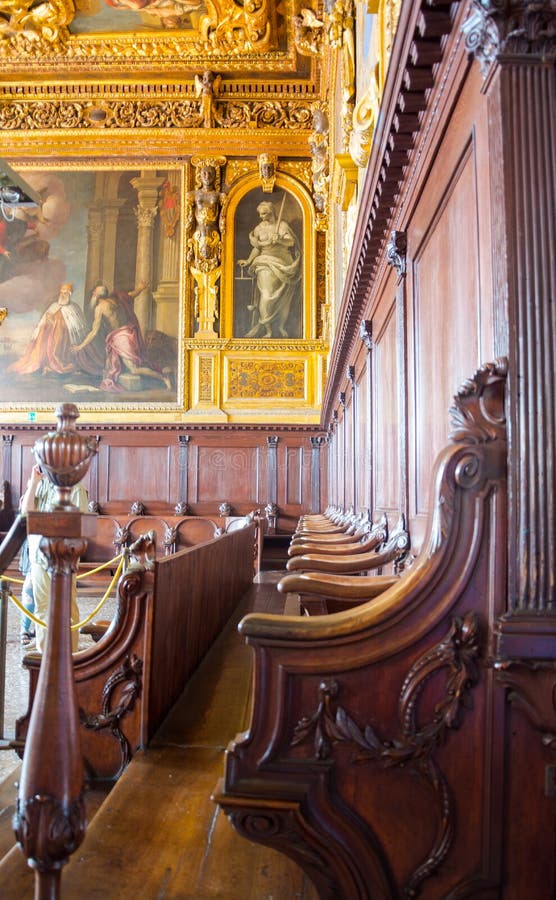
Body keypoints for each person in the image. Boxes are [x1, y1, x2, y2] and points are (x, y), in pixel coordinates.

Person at [19, 463, 88, 654]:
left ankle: (70, 656)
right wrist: (33, 483)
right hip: (39, 558)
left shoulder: (76, 489)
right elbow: (25, 514)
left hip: (63, 561)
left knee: (66, 610)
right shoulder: (40, 485)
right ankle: (44, 656)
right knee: (42, 610)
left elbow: (82, 528)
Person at [71, 283, 172, 392]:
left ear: (96, 296)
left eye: (94, 292)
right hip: (128, 332)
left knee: (134, 369)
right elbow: (131, 295)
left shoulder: (100, 308)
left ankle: (163, 377)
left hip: (121, 338)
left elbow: (94, 332)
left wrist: (80, 347)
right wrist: (140, 288)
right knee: (109, 364)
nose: (92, 294)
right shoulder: (116, 299)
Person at [237, 199, 302, 339]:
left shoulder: (282, 225)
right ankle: (267, 329)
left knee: (283, 298)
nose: (261, 217)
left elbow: (291, 242)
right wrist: (248, 261)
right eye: (260, 214)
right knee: (267, 295)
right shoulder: (259, 229)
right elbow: (257, 248)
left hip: (284, 263)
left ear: (271, 212)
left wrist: (279, 240)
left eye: (264, 214)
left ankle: (280, 326)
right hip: (265, 262)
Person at [8, 283, 87, 376]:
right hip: (50, 335)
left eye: (65, 293)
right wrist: (49, 321)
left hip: (66, 339)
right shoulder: (54, 306)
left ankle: (56, 365)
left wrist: (59, 324)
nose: (62, 295)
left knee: (60, 339)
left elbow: (76, 327)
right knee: (46, 341)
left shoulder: (74, 308)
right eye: (61, 293)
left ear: (70, 295)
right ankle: (47, 364)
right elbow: (44, 322)